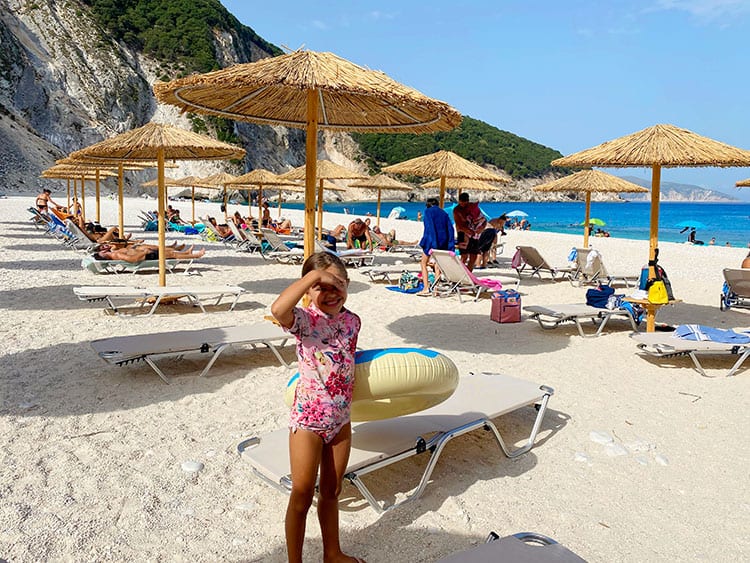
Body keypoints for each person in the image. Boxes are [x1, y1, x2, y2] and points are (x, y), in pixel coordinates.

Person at [270, 252, 363, 563]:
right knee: (302, 494)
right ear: (308, 291)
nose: (331, 293)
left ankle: (332, 553)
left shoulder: (353, 322)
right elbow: (278, 309)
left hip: (340, 420)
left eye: (338, 284)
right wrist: (313, 276)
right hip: (308, 421)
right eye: (322, 287)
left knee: (332, 492)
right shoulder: (305, 321)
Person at [417, 197, 455, 296]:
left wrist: (430, 244)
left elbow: (429, 228)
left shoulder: (428, 212)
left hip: (431, 242)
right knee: (438, 266)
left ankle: (426, 288)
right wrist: (451, 246)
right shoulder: (444, 213)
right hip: (444, 242)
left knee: (423, 263)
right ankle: (436, 289)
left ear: (428, 205)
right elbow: (450, 229)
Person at [453, 192, 486, 271]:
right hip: (462, 233)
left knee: (473, 255)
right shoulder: (457, 210)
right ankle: (459, 272)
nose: (463, 204)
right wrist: (468, 230)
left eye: (465, 202)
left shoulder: (472, 207)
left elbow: (483, 220)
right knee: (464, 256)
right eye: (461, 202)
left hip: (474, 233)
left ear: (467, 201)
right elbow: (459, 225)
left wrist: (481, 228)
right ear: (459, 201)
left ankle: (469, 274)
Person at [93, 244, 205, 263]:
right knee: (173, 255)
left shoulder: (113, 253)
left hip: (145, 253)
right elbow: (132, 260)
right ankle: (196, 255)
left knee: (170, 252)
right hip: (146, 256)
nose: (103, 250)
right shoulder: (116, 255)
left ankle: (187, 253)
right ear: (102, 254)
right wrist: (144, 252)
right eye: (102, 251)